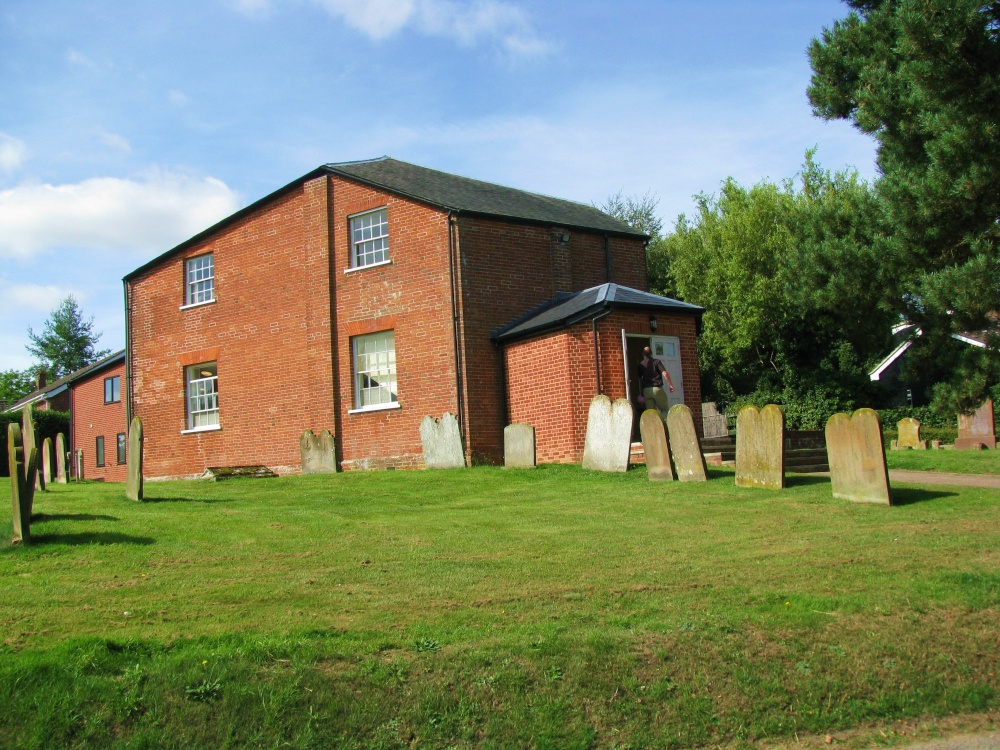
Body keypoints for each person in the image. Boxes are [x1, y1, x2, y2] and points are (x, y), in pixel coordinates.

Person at [637, 345, 675, 420]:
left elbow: (640, 379)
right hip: (657, 389)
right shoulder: (656, 362)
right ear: (651, 353)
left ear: (642, 354)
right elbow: (665, 373)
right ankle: (664, 426)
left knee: (651, 413)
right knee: (664, 409)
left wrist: (641, 392)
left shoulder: (640, 365)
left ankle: (653, 430)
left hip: (647, 390)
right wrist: (671, 385)